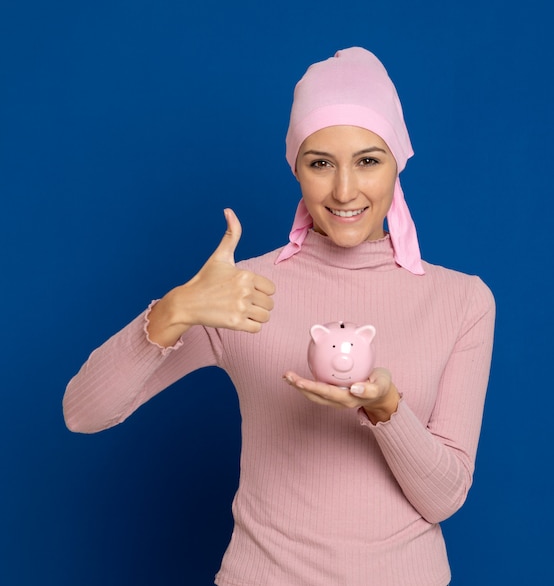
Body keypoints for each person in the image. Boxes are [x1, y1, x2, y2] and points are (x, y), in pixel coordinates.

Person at [63, 47, 495, 586]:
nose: (344, 190)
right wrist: (173, 311)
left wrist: (386, 409)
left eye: (368, 160)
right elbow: (83, 413)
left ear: (398, 162)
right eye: (320, 163)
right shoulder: (242, 293)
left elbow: (444, 498)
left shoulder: (461, 300)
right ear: (296, 167)